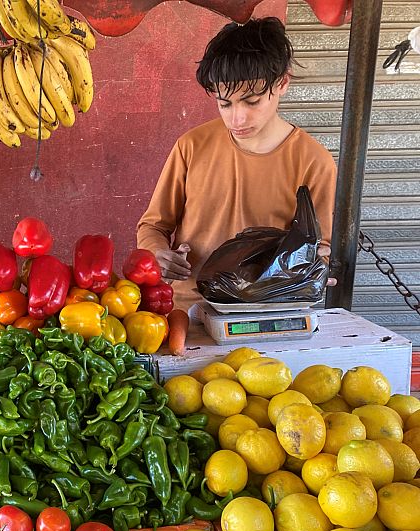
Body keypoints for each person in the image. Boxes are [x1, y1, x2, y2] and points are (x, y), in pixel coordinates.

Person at [136, 16, 337, 312]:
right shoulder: (191, 146)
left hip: (265, 315)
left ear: (282, 83)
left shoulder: (314, 162)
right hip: (185, 311)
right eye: (224, 103)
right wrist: (158, 254)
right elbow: (153, 226)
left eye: (252, 101)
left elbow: (319, 251)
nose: (237, 119)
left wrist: (314, 270)